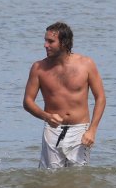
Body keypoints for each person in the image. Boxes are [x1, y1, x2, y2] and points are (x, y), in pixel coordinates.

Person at [23, 22, 106, 168]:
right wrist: (46, 116)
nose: (45, 45)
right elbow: (27, 102)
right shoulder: (38, 68)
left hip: (80, 132)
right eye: (45, 40)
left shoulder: (86, 64)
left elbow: (100, 98)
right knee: (50, 180)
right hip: (52, 130)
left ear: (64, 43)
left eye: (50, 41)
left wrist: (92, 130)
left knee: (79, 180)